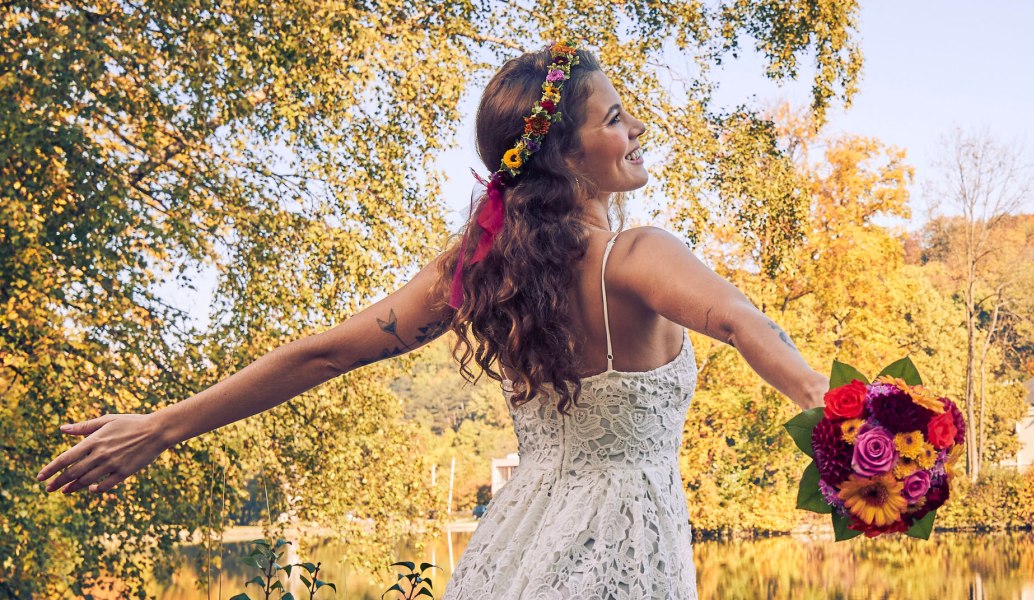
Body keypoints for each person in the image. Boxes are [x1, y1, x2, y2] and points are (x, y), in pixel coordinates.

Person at [35, 42, 829, 598]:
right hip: (621, 554)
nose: (637, 130)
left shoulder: (484, 270)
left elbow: (326, 354)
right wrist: (836, 411)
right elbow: (735, 319)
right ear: (562, 152)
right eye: (616, 117)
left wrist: (166, 425)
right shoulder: (637, 254)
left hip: (514, 557)